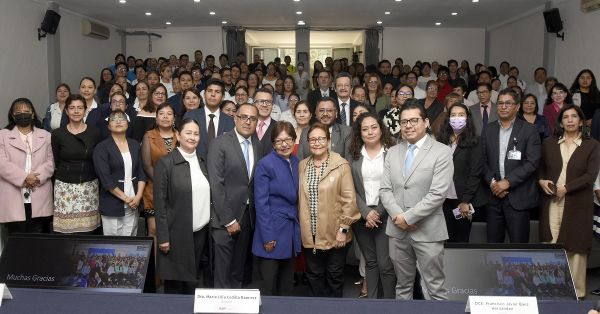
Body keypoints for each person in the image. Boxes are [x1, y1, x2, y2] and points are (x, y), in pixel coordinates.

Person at [379, 102, 453, 300]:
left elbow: (437, 194)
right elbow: (385, 190)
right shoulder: (392, 152)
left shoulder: (442, 152)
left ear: (426, 122)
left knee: (435, 289)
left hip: (427, 230)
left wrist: (408, 218)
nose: (408, 126)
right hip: (397, 231)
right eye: (404, 122)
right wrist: (398, 217)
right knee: (403, 287)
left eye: (413, 120)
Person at [538, 104, 599, 299]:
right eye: (566, 117)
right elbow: (539, 168)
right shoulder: (549, 143)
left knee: (576, 246)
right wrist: (541, 180)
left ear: (581, 121)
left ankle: (577, 293)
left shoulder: (592, 145)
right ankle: (551, 290)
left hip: (578, 202)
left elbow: (591, 175)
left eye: (574, 116)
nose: (570, 120)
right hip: (552, 201)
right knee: (552, 242)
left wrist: (567, 188)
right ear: (561, 122)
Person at [298, 122, 359, 297]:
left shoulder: (341, 165)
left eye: (321, 139)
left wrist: (343, 229)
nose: (317, 143)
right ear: (308, 142)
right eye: (313, 139)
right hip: (311, 236)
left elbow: (349, 201)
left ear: (328, 140)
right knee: (314, 278)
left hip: (336, 235)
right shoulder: (302, 165)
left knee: (334, 278)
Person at [208, 103, 264, 289]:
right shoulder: (220, 143)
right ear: (235, 118)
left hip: (247, 216)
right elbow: (216, 184)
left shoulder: (257, 144)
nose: (248, 122)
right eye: (243, 117)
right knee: (223, 274)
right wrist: (229, 220)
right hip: (225, 218)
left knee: (238, 271)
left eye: (252, 118)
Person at [154, 118, 210, 294]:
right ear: (177, 135)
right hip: (176, 234)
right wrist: (163, 237)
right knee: (176, 285)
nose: (192, 137)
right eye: (188, 133)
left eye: (196, 133)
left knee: (194, 283)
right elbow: (160, 203)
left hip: (200, 231)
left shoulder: (202, 161)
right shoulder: (166, 163)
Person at [347, 112, 396, 299]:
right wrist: (366, 212)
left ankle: (390, 305)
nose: (370, 132)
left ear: (381, 128)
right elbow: (350, 187)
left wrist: (377, 213)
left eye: (373, 127)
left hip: (385, 214)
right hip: (362, 216)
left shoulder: (392, 152)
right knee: (371, 262)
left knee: (385, 264)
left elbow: (394, 186)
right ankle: (373, 304)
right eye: (365, 129)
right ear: (359, 133)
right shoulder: (353, 155)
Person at [482, 89, 541, 243]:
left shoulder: (529, 130)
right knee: (493, 248)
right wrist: (494, 183)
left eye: (508, 103)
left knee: (518, 248)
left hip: (518, 198)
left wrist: (507, 182)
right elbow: (481, 161)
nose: (503, 106)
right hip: (494, 197)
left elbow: (532, 162)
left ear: (517, 106)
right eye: (500, 103)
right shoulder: (488, 129)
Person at [252, 121, 301, 296]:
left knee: (286, 284)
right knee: (269, 285)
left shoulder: (296, 162)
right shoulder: (265, 164)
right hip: (272, 228)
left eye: (288, 139)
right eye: (279, 141)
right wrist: (268, 236)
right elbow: (261, 203)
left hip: (290, 230)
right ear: (273, 144)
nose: (284, 144)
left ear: (294, 140)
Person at [0, 98, 54, 235]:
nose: (22, 114)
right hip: (12, 194)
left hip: (39, 192)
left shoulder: (46, 136)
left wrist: (35, 178)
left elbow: (50, 163)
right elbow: (2, 163)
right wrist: (24, 178)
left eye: (26, 111)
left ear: (32, 113)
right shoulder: (3, 135)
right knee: (15, 241)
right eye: (18, 112)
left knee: (39, 240)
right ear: (12, 115)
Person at [51, 94, 102, 234]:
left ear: (85, 110)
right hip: (65, 187)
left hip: (89, 186)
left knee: (88, 231)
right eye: (72, 108)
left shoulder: (95, 132)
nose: (76, 111)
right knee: (66, 231)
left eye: (80, 108)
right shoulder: (58, 134)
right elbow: (55, 159)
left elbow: (98, 159)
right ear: (66, 111)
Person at [436, 103, 486, 242]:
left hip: (462, 199)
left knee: (461, 239)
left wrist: (466, 200)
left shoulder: (475, 141)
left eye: (461, 115)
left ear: (467, 118)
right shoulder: (441, 140)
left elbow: (475, 173)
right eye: (453, 115)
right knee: (446, 238)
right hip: (443, 198)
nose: (456, 118)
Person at [93, 110, 147, 236]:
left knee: (130, 239)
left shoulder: (134, 145)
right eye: (113, 119)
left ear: (128, 124)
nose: (118, 121)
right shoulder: (101, 148)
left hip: (134, 200)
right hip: (113, 202)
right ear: (108, 126)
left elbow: (141, 172)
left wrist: (138, 197)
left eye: (122, 118)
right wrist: (127, 199)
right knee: (113, 245)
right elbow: (106, 179)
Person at [141, 103, 178, 265]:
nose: (165, 116)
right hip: (154, 190)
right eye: (161, 113)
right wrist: (163, 184)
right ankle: (156, 277)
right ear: (156, 118)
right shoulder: (149, 136)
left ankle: (173, 272)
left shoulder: (181, 135)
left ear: (174, 118)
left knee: (175, 232)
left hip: (179, 191)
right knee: (155, 231)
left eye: (169, 113)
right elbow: (147, 165)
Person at [184, 80, 235, 158]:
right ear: (204, 94)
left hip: (221, 167)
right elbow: (184, 143)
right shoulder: (191, 116)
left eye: (217, 92)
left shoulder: (230, 122)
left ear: (223, 97)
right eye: (209, 91)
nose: (213, 94)